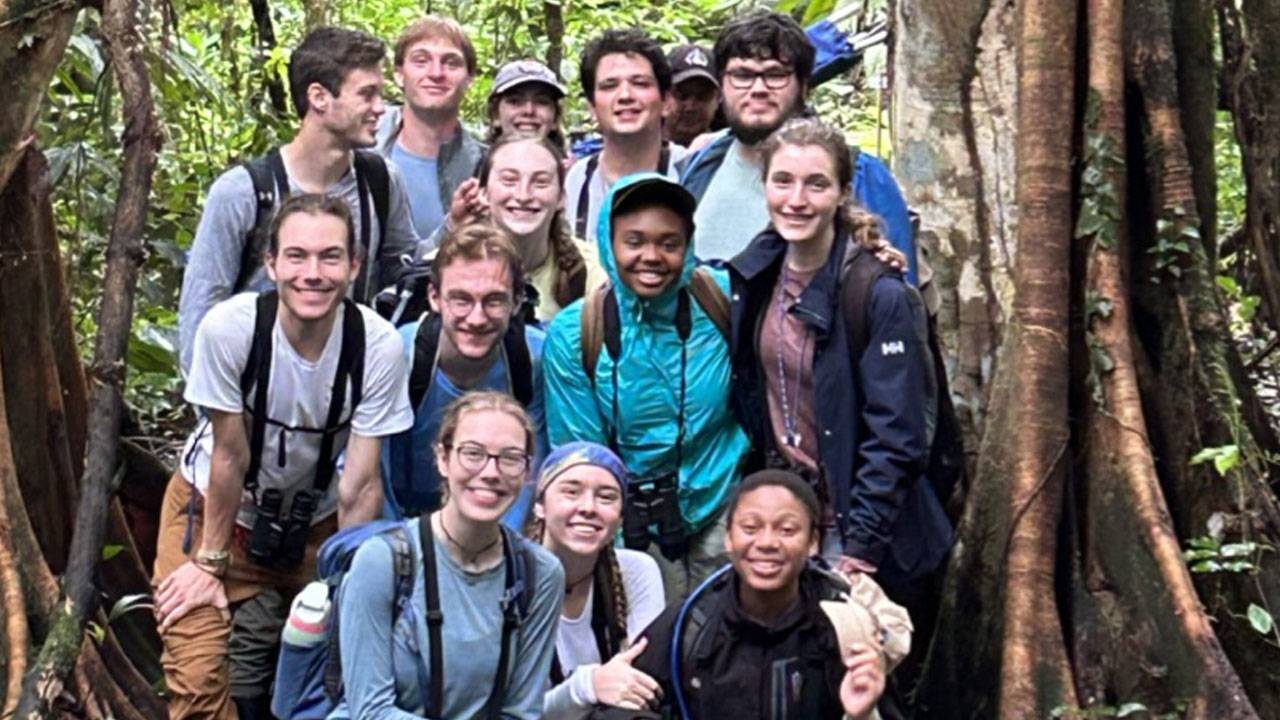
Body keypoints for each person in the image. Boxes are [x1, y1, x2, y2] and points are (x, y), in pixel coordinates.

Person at [153, 193, 414, 719]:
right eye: (296, 256)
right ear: (271, 264)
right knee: (197, 681)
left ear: (354, 265)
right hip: (213, 513)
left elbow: (361, 485)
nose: (312, 274)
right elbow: (229, 457)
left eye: (330, 257)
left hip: (312, 525)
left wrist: (347, 587)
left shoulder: (377, 346)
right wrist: (209, 562)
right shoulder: (231, 330)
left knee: (347, 665)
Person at [727, 117, 952, 600]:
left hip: (855, 530)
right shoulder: (756, 276)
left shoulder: (878, 293)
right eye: (783, 181)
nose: (796, 199)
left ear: (843, 192)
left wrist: (862, 547)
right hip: (788, 519)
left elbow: (897, 433)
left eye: (816, 184)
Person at [544, 173, 749, 599]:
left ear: (688, 246)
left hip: (723, 507)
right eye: (634, 242)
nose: (651, 257)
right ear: (609, 244)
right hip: (632, 521)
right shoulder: (577, 333)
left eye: (669, 243)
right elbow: (582, 454)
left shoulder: (723, 301)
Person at [178, 26, 419, 375]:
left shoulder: (381, 181)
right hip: (253, 385)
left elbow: (407, 276)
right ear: (319, 97)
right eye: (367, 95)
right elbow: (200, 310)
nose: (380, 109)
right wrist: (210, 399)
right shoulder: (244, 192)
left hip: (344, 385)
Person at [334, 391, 564, 719]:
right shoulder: (383, 561)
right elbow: (369, 711)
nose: (491, 472)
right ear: (443, 459)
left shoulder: (539, 573)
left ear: (528, 472)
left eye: (510, 458)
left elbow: (522, 710)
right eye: (473, 453)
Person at [625, 470, 913, 720]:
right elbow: (625, 703)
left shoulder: (845, 628)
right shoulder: (691, 623)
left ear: (813, 542)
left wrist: (861, 714)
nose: (766, 543)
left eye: (787, 530)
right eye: (750, 528)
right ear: (729, 538)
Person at [679, 10, 916, 279]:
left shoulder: (858, 173)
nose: (758, 89)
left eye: (775, 74)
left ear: (803, 86)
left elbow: (895, 288)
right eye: (743, 75)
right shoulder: (704, 161)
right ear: (721, 86)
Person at [381, 222, 546, 528]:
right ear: (434, 297)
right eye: (461, 300)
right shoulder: (400, 355)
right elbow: (374, 472)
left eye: (493, 301)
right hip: (408, 517)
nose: (477, 318)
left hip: (495, 517)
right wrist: (404, 545)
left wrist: (501, 542)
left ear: (517, 301)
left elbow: (533, 468)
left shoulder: (532, 359)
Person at [530, 442, 666, 719]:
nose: (588, 508)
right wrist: (585, 687)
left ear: (620, 517)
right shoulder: (510, 581)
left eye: (606, 497)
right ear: (540, 506)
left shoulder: (636, 571)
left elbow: (644, 686)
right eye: (571, 492)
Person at [435, 134, 608, 324]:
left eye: (540, 182)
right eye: (509, 181)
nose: (523, 195)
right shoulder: (446, 264)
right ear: (483, 193)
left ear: (561, 198)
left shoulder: (595, 271)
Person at [565, 29, 690, 245]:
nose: (625, 96)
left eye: (640, 83)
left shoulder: (690, 172)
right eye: (609, 86)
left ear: (667, 101)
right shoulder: (575, 182)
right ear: (591, 107)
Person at [376, 15, 486, 239]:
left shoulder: (484, 166)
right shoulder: (362, 149)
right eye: (421, 61)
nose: (436, 73)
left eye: (451, 63)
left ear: (469, 79)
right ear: (399, 74)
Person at [486, 58, 569, 149]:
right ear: (496, 114)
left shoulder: (573, 158)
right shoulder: (477, 157)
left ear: (555, 118)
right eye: (515, 101)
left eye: (541, 102)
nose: (529, 111)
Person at [664, 44, 722, 147]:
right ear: (664, 97)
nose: (691, 107)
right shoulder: (639, 146)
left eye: (703, 96)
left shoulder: (728, 150)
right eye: (682, 95)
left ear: (718, 99)